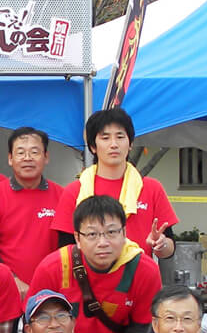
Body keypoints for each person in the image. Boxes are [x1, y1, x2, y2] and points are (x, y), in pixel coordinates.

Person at [28, 195, 161, 333]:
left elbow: (140, 328)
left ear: (124, 233)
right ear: (77, 238)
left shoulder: (145, 271)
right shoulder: (53, 267)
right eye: (92, 234)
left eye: (111, 232)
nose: (103, 243)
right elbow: (32, 326)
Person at [52, 108, 179, 258]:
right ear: (93, 146)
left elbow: (169, 247)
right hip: (90, 279)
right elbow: (65, 248)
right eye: (105, 138)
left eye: (120, 137)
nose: (114, 144)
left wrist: (162, 245)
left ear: (130, 143)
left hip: (139, 277)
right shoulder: (75, 191)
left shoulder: (151, 188)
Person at [0, 126, 64, 296]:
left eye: (34, 152)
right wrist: (12, 279)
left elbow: (68, 249)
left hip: (52, 292)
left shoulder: (63, 196)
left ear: (46, 157)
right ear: (10, 158)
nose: (27, 158)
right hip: (7, 290)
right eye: (20, 152)